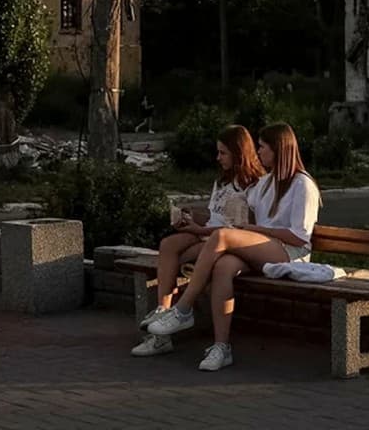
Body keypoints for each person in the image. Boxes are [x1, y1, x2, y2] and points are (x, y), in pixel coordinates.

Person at [143, 123, 321, 371]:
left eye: (262, 148)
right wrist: (196, 218)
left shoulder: (302, 185)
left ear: (279, 149)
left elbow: (300, 237)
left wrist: (255, 231)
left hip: (290, 253)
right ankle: (221, 347)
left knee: (222, 238)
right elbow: (235, 215)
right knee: (224, 267)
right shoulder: (266, 183)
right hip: (263, 249)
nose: (258, 153)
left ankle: (183, 309)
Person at [132, 125, 263, 357]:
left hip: (227, 242)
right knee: (168, 245)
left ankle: (173, 321)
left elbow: (240, 228)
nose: (218, 158)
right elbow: (215, 214)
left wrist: (201, 228)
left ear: (238, 152)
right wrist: (190, 217)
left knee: (181, 258)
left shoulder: (254, 185)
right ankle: (164, 310)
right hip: (208, 232)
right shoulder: (222, 181)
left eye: (223, 153)